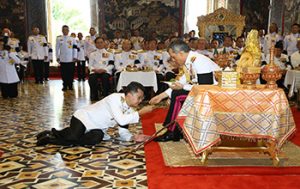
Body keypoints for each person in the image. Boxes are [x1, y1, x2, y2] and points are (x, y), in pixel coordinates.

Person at [36, 82, 154, 146]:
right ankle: (51, 137)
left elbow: (123, 129)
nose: (140, 101)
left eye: (141, 99)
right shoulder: (114, 99)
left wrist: (133, 137)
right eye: (139, 98)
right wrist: (140, 113)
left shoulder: (130, 110)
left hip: (97, 127)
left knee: (97, 138)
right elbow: (122, 120)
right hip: (83, 118)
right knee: (73, 136)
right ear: (128, 94)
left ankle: (55, 135)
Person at [149, 40, 220, 142]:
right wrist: (161, 96)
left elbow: (205, 87)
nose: (173, 60)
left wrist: (183, 87)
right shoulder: (190, 61)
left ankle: (172, 131)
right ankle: (177, 130)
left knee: (177, 95)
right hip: (202, 92)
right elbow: (182, 81)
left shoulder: (199, 61)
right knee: (177, 93)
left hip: (211, 94)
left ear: (181, 53)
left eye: (173, 57)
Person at [56, 25, 78, 91]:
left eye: (66, 30)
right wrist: (57, 57)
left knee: (71, 73)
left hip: (71, 59)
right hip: (62, 59)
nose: (65, 31)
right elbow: (57, 48)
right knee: (63, 73)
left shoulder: (72, 39)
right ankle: (65, 85)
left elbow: (75, 48)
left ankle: (70, 85)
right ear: (62, 30)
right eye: (64, 29)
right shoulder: (59, 39)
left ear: (68, 31)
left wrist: (75, 57)